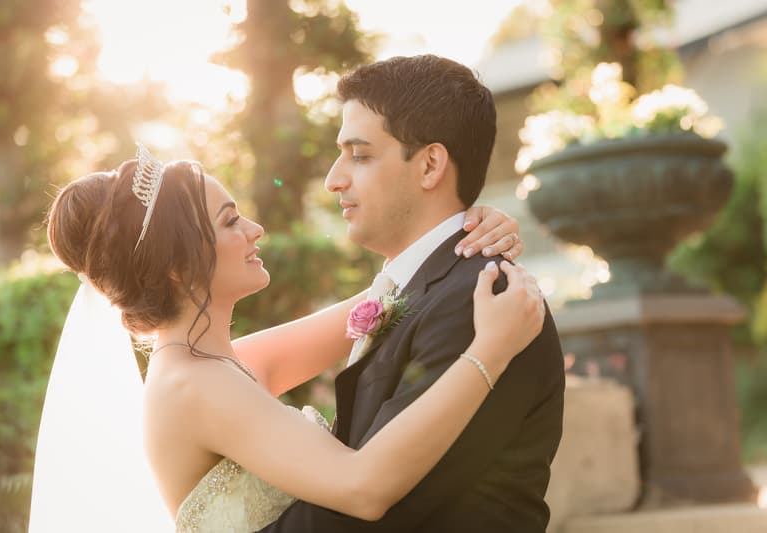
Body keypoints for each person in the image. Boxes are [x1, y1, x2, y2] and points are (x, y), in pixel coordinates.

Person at [29, 145, 543, 531]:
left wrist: (466, 230)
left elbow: (383, 298)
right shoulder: (194, 387)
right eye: (230, 221)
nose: (256, 229)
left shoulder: (220, 365)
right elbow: (364, 488)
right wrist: (489, 353)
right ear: (177, 268)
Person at [258, 55, 566, 533]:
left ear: (429, 165)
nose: (333, 179)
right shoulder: (418, 289)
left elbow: (381, 508)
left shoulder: (480, 299)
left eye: (359, 155)